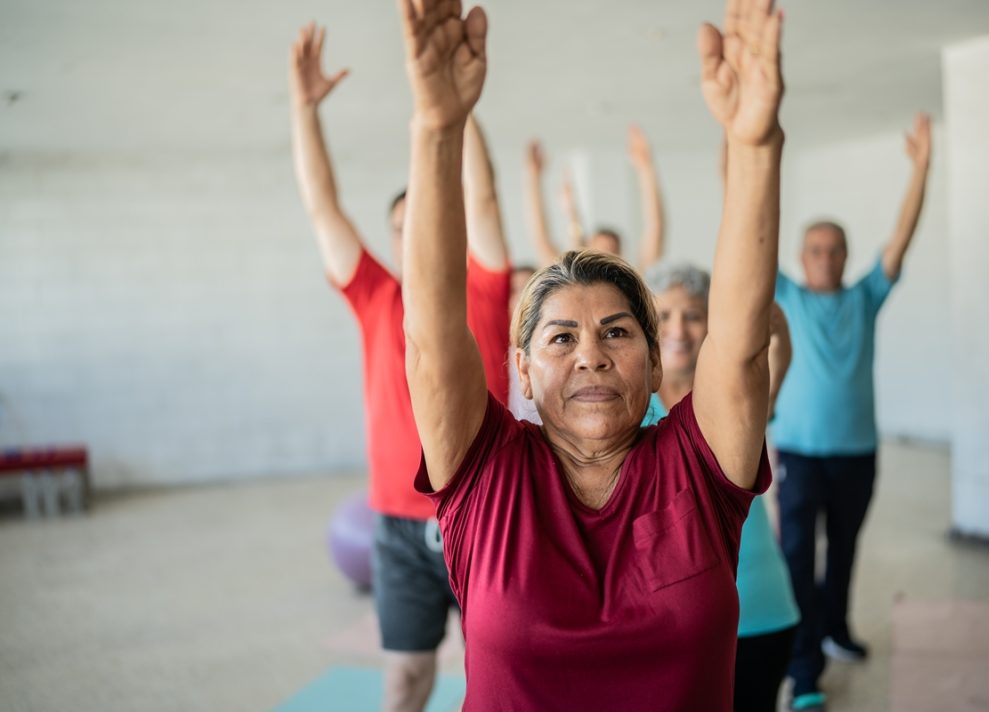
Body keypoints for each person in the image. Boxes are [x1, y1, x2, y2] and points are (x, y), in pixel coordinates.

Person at [396, 0, 784, 707]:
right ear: (521, 369)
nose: (591, 356)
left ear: (657, 360)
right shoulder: (487, 474)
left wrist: (754, 145)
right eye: (561, 338)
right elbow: (429, 337)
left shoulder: (697, 468)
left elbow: (741, 344)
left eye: (617, 332)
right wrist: (437, 128)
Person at [287, 23, 511, 712]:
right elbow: (323, 207)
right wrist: (304, 109)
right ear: (392, 238)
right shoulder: (377, 295)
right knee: (405, 681)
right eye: (405, 224)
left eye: (430, 217)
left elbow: (482, 197)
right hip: (394, 524)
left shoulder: (487, 285)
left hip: (481, 513)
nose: (420, 233)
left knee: (500, 675)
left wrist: (454, 106)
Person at [773, 113, 932, 711]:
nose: (826, 257)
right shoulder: (785, 296)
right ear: (802, 256)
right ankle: (804, 663)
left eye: (835, 249)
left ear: (845, 255)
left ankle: (836, 628)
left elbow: (900, 238)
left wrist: (921, 167)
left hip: (857, 453)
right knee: (795, 557)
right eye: (816, 249)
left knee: (843, 551)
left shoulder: (866, 296)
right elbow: (752, 233)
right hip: (798, 453)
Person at [647, 263, 800, 712]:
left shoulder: (734, 402)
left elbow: (771, 367)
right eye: (664, 316)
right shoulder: (625, 409)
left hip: (758, 612)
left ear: (713, 323)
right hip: (667, 625)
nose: (678, 329)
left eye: (693, 315)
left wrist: (775, 333)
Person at [524, 125, 665, 270]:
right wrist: (534, 177)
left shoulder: (633, 285)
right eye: (600, 249)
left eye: (612, 249)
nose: (606, 255)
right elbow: (541, 239)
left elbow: (655, 230)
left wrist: (646, 168)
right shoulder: (569, 279)